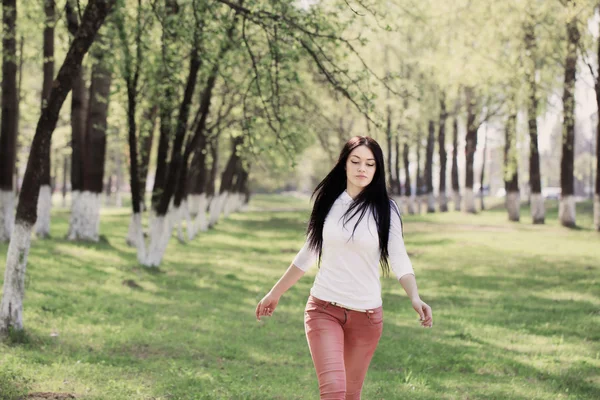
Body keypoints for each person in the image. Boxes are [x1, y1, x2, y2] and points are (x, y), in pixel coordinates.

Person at [255, 136, 433, 400]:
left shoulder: (386, 209)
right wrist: (275, 292)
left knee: (350, 395)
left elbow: (398, 257)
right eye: (356, 161)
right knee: (334, 393)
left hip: (367, 316)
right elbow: (308, 253)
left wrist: (414, 296)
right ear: (344, 164)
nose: (362, 169)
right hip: (324, 309)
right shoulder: (328, 202)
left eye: (370, 164)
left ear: (377, 169)